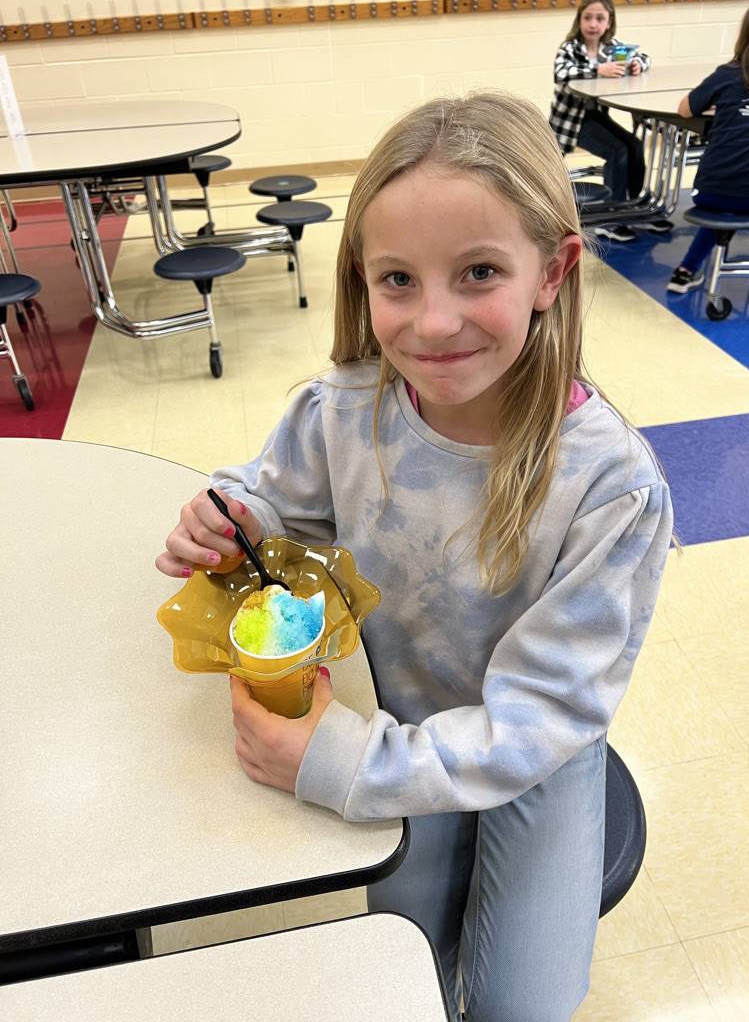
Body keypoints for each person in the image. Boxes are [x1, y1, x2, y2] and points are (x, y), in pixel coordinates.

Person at [156, 92, 673, 1022]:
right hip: (393, 726)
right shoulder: (341, 410)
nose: (434, 323)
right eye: (399, 279)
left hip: (533, 751)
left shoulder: (611, 487)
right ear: (363, 279)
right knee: (401, 963)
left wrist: (339, 764)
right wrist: (233, 517)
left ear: (552, 271)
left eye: (479, 272)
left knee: (521, 1008)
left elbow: (540, 718)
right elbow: (277, 498)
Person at [550, 0, 673, 242]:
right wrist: (598, 70)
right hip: (571, 122)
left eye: (600, 19)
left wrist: (637, 64)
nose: (593, 24)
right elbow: (561, 73)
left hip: (595, 116)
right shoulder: (570, 48)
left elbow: (644, 57)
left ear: (609, 23)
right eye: (587, 17)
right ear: (579, 20)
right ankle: (610, 220)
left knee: (634, 146)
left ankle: (636, 207)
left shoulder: (611, 47)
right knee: (617, 151)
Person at [668, 0, 749, 293]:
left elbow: (685, 109)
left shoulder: (726, 74)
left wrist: (728, 105)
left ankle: (685, 271)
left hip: (708, 192)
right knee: (748, 184)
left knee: (729, 198)